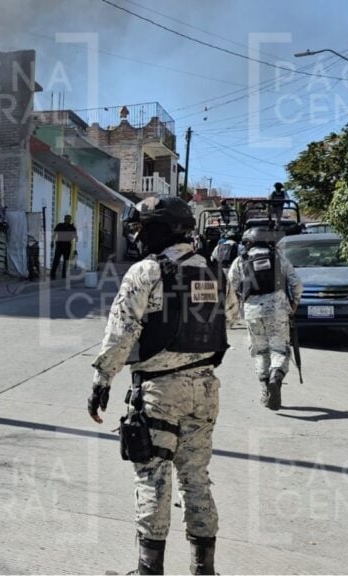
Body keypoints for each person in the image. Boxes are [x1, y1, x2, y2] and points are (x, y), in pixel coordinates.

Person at [89, 196, 239, 575]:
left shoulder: (146, 271)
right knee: (196, 477)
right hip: (205, 390)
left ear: (160, 228)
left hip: (159, 391)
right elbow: (231, 318)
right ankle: (204, 568)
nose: (137, 236)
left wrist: (102, 379)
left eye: (141, 227)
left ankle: (148, 569)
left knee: (154, 478)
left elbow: (120, 332)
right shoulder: (217, 272)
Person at [227, 227, 303, 410]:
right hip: (277, 309)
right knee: (280, 349)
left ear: (248, 242)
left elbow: (230, 287)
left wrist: (233, 313)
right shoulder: (278, 257)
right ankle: (275, 377)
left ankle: (265, 392)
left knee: (260, 352)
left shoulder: (241, 260)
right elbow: (297, 283)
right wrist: (294, 303)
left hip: (252, 312)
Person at [50, 215, 77, 280]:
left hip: (67, 246)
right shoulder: (60, 225)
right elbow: (54, 234)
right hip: (59, 245)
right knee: (56, 260)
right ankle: (52, 274)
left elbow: (75, 238)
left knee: (66, 261)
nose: (68, 220)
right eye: (67, 219)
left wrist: (73, 230)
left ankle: (64, 274)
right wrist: (52, 242)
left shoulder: (72, 227)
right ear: (64, 219)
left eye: (70, 219)